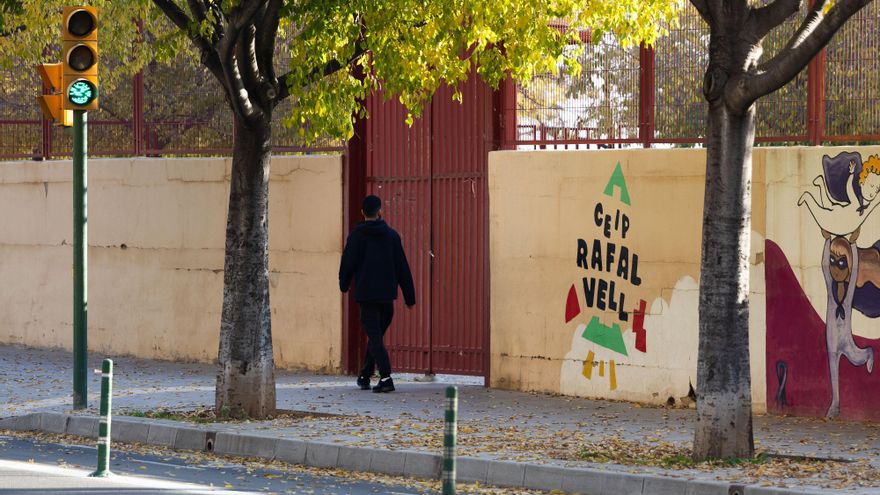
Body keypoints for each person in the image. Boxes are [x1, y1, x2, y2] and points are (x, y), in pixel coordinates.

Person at [339, 195, 416, 393]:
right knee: (376, 337)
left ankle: (386, 378)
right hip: (386, 298)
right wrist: (409, 297)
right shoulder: (392, 236)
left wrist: (344, 284)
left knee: (375, 337)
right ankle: (365, 375)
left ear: (362, 213)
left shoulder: (356, 236)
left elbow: (347, 263)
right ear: (380, 212)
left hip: (367, 296)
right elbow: (402, 268)